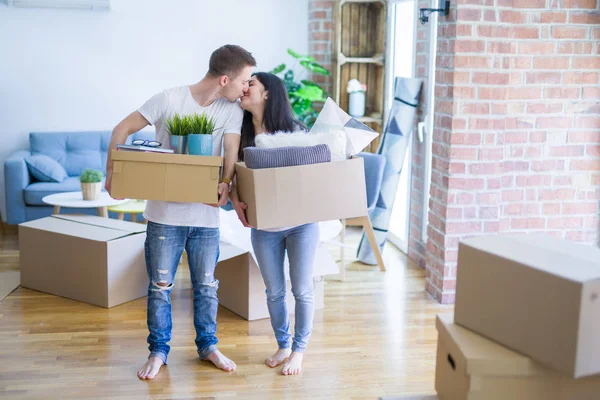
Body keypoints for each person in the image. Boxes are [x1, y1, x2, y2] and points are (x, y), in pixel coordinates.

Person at [105, 45, 256, 380]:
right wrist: (111, 174)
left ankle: (208, 346)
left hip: (205, 219)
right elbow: (121, 130)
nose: (246, 88)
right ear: (225, 78)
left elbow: (230, 149)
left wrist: (226, 182)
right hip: (164, 217)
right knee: (160, 287)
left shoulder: (230, 109)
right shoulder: (169, 100)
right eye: (244, 80)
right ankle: (158, 352)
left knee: (207, 286)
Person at [230, 72, 318, 376]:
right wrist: (235, 199)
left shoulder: (295, 131)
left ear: (267, 93)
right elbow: (231, 177)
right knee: (274, 291)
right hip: (264, 228)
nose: (244, 88)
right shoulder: (239, 135)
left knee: (303, 290)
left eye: (250, 84)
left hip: (301, 225)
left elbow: (312, 179)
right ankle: (283, 345)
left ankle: (299, 350)